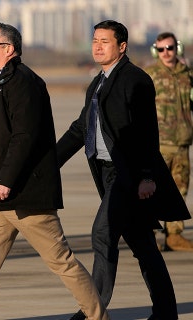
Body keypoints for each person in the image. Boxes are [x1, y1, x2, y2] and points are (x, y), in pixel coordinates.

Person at [0, 22, 109, 320]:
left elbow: (24, 136)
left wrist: (6, 180)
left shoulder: (24, 83)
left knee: (60, 261)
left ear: (8, 49)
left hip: (24, 195)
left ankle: (98, 316)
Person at [56, 20, 191, 320]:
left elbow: (146, 132)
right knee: (144, 245)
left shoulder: (136, 80)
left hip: (128, 176)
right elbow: (82, 128)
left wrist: (146, 176)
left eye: (105, 41)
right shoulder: (98, 82)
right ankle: (167, 312)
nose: (97, 46)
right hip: (107, 174)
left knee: (102, 234)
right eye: (95, 40)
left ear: (122, 46)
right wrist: (51, 162)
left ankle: (93, 311)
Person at [144, 32, 193, 252]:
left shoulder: (187, 75)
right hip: (158, 144)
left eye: (170, 48)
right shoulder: (149, 75)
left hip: (182, 141)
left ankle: (174, 235)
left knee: (180, 190)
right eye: (162, 49)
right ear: (156, 50)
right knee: (153, 191)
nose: (167, 53)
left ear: (177, 48)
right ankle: (150, 234)